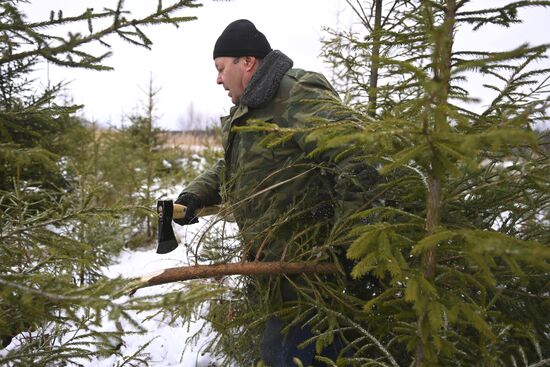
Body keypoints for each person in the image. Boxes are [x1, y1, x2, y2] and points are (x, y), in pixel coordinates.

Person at [175, 19, 379, 366]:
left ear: (248, 62)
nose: (218, 79)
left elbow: (357, 158)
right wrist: (195, 196)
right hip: (276, 274)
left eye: (221, 68)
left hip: (311, 277)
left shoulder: (296, 92)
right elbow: (234, 167)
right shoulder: (251, 108)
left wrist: (350, 245)